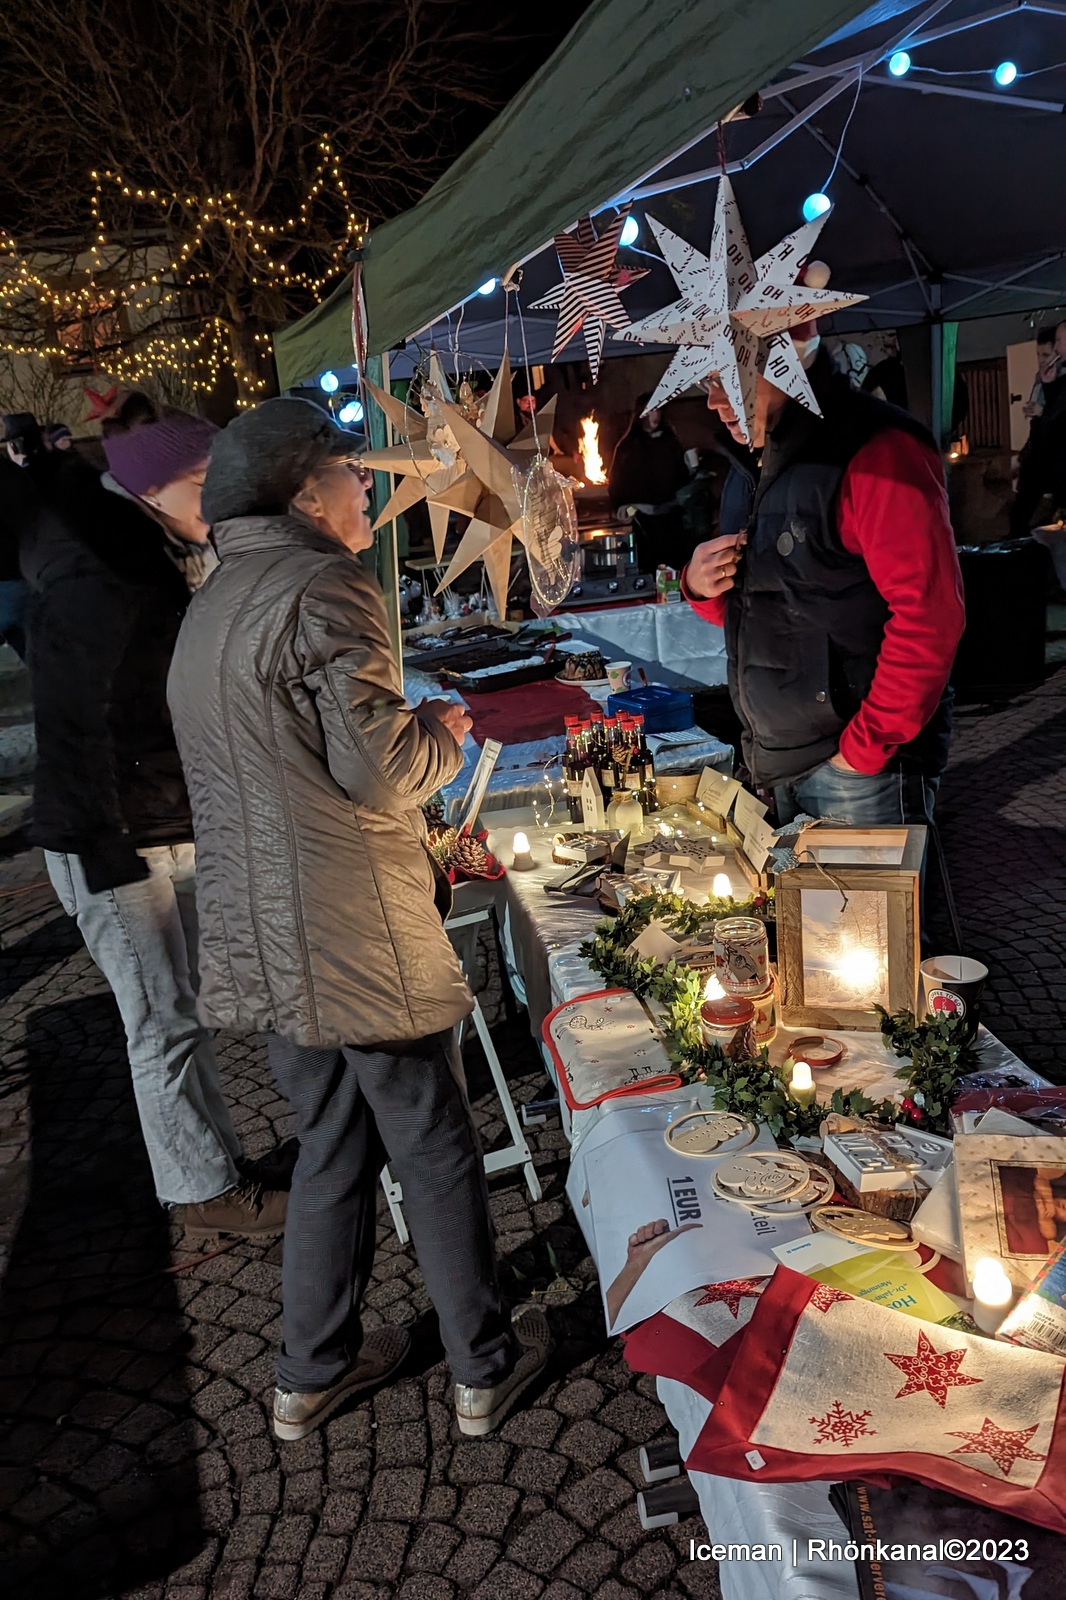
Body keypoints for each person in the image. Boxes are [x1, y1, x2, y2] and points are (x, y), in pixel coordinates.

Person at [167, 397, 550, 1442]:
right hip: (349, 928)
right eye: (350, 473)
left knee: (331, 1146)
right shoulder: (327, 582)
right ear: (302, 493)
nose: (366, 489)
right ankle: (484, 1364)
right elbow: (380, 772)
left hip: (262, 928)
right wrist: (440, 730)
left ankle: (309, 1371)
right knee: (430, 1144)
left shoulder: (211, 602)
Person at [23, 406, 287, 1239]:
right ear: (147, 492)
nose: (226, 497)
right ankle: (201, 1188)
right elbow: (75, 722)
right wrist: (104, 848)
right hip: (110, 834)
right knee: (160, 1015)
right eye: (206, 485)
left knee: (187, 1006)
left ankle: (217, 1162)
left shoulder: (167, 555)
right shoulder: (101, 572)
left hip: (162, 815)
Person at [683, 342, 965, 828]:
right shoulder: (749, 463)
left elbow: (930, 616)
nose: (715, 400)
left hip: (859, 768)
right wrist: (699, 585)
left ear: (786, 362)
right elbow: (762, 604)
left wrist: (865, 749)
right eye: (706, 382)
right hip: (777, 757)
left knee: (867, 907)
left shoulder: (875, 449)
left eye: (729, 376)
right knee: (802, 906)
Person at [608, 394, 689, 572]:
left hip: (670, 516)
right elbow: (616, 483)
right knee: (649, 565)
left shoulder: (670, 441)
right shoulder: (629, 446)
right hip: (642, 519)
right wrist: (621, 506)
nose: (656, 416)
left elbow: (682, 476)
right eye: (651, 411)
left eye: (658, 410)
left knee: (674, 566)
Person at [1009, 324, 1066, 539]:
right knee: (1021, 511)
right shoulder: (1042, 378)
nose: (1042, 359)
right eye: (1038, 354)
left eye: (1046, 353)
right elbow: (1041, 423)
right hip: (1039, 454)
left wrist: (1044, 410)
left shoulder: (1060, 379)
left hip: (1056, 458)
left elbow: (1055, 415)